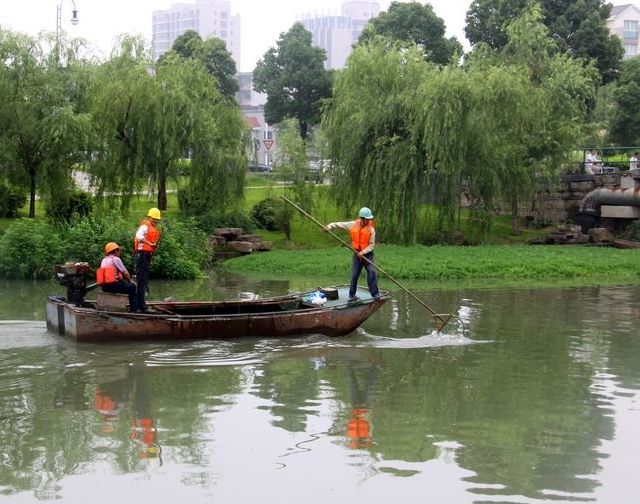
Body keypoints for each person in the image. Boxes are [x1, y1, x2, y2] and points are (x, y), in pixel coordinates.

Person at [324, 207, 380, 302]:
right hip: (356, 254)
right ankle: (352, 295)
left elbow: (372, 245)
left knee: (372, 272)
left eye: (369, 219)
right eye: (366, 219)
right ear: (362, 218)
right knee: (354, 275)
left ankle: (375, 294)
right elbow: (340, 224)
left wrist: (363, 252)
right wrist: (329, 226)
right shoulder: (353, 224)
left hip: (367, 254)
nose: (368, 221)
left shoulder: (371, 229)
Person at [134, 208, 162, 313]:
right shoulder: (145, 226)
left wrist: (152, 249)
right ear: (149, 217)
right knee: (141, 281)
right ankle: (141, 306)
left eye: (157, 219)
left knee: (144, 280)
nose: (155, 221)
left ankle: (140, 305)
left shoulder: (152, 228)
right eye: (154, 219)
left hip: (146, 256)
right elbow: (138, 236)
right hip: (141, 255)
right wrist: (150, 244)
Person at [96, 242, 138, 312]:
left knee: (124, 284)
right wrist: (130, 281)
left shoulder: (104, 260)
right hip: (113, 286)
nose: (119, 252)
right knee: (132, 287)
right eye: (118, 251)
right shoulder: (115, 259)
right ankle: (134, 310)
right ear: (116, 251)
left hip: (104, 287)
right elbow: (125, 273)